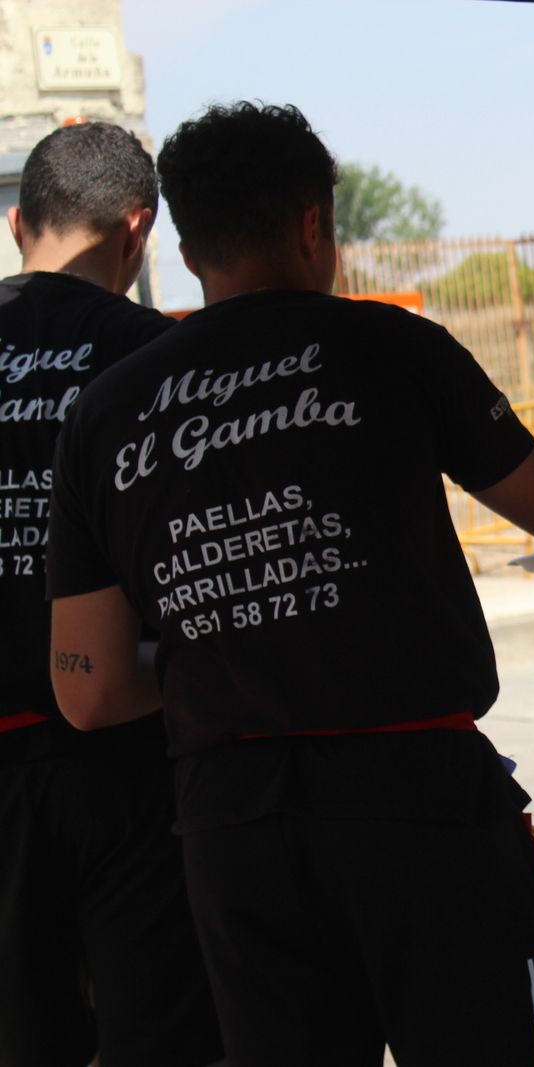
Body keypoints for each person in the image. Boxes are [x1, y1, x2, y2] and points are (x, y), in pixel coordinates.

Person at [45, 101, 534, 1067]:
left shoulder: (107, 409)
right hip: (416, 807)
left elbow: (87, 686)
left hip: (230, 828)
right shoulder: (390, 348)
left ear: (186, 246)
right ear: (314, 223)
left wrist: (224, 645)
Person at [0, 121, 224, 1067]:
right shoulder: (161, 358)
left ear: (18, 226)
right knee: (162, 1035)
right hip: (128, 756)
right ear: (138, 231)